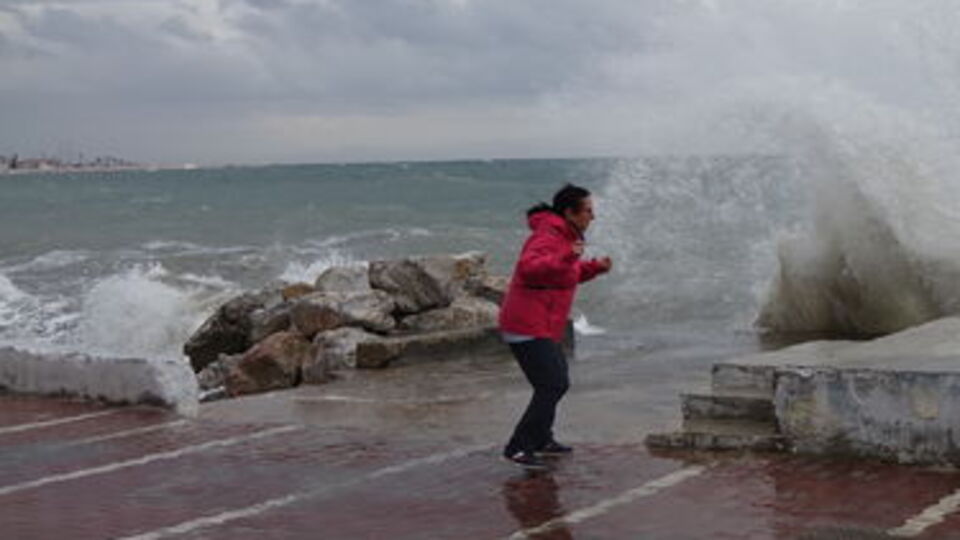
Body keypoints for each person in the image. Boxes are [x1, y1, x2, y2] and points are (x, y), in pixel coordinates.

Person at [499, 183, 613, 470]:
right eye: (588, 211)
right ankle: (518, 446)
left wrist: (593, 268)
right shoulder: (549, 235)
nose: (593, 216)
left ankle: (541, 438)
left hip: (544, 324)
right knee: (553, 383)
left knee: (553, 382)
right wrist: (568, 256)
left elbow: (563, 275)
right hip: (526, 323)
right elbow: (530, 268)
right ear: (569, 213)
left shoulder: (564, 235)